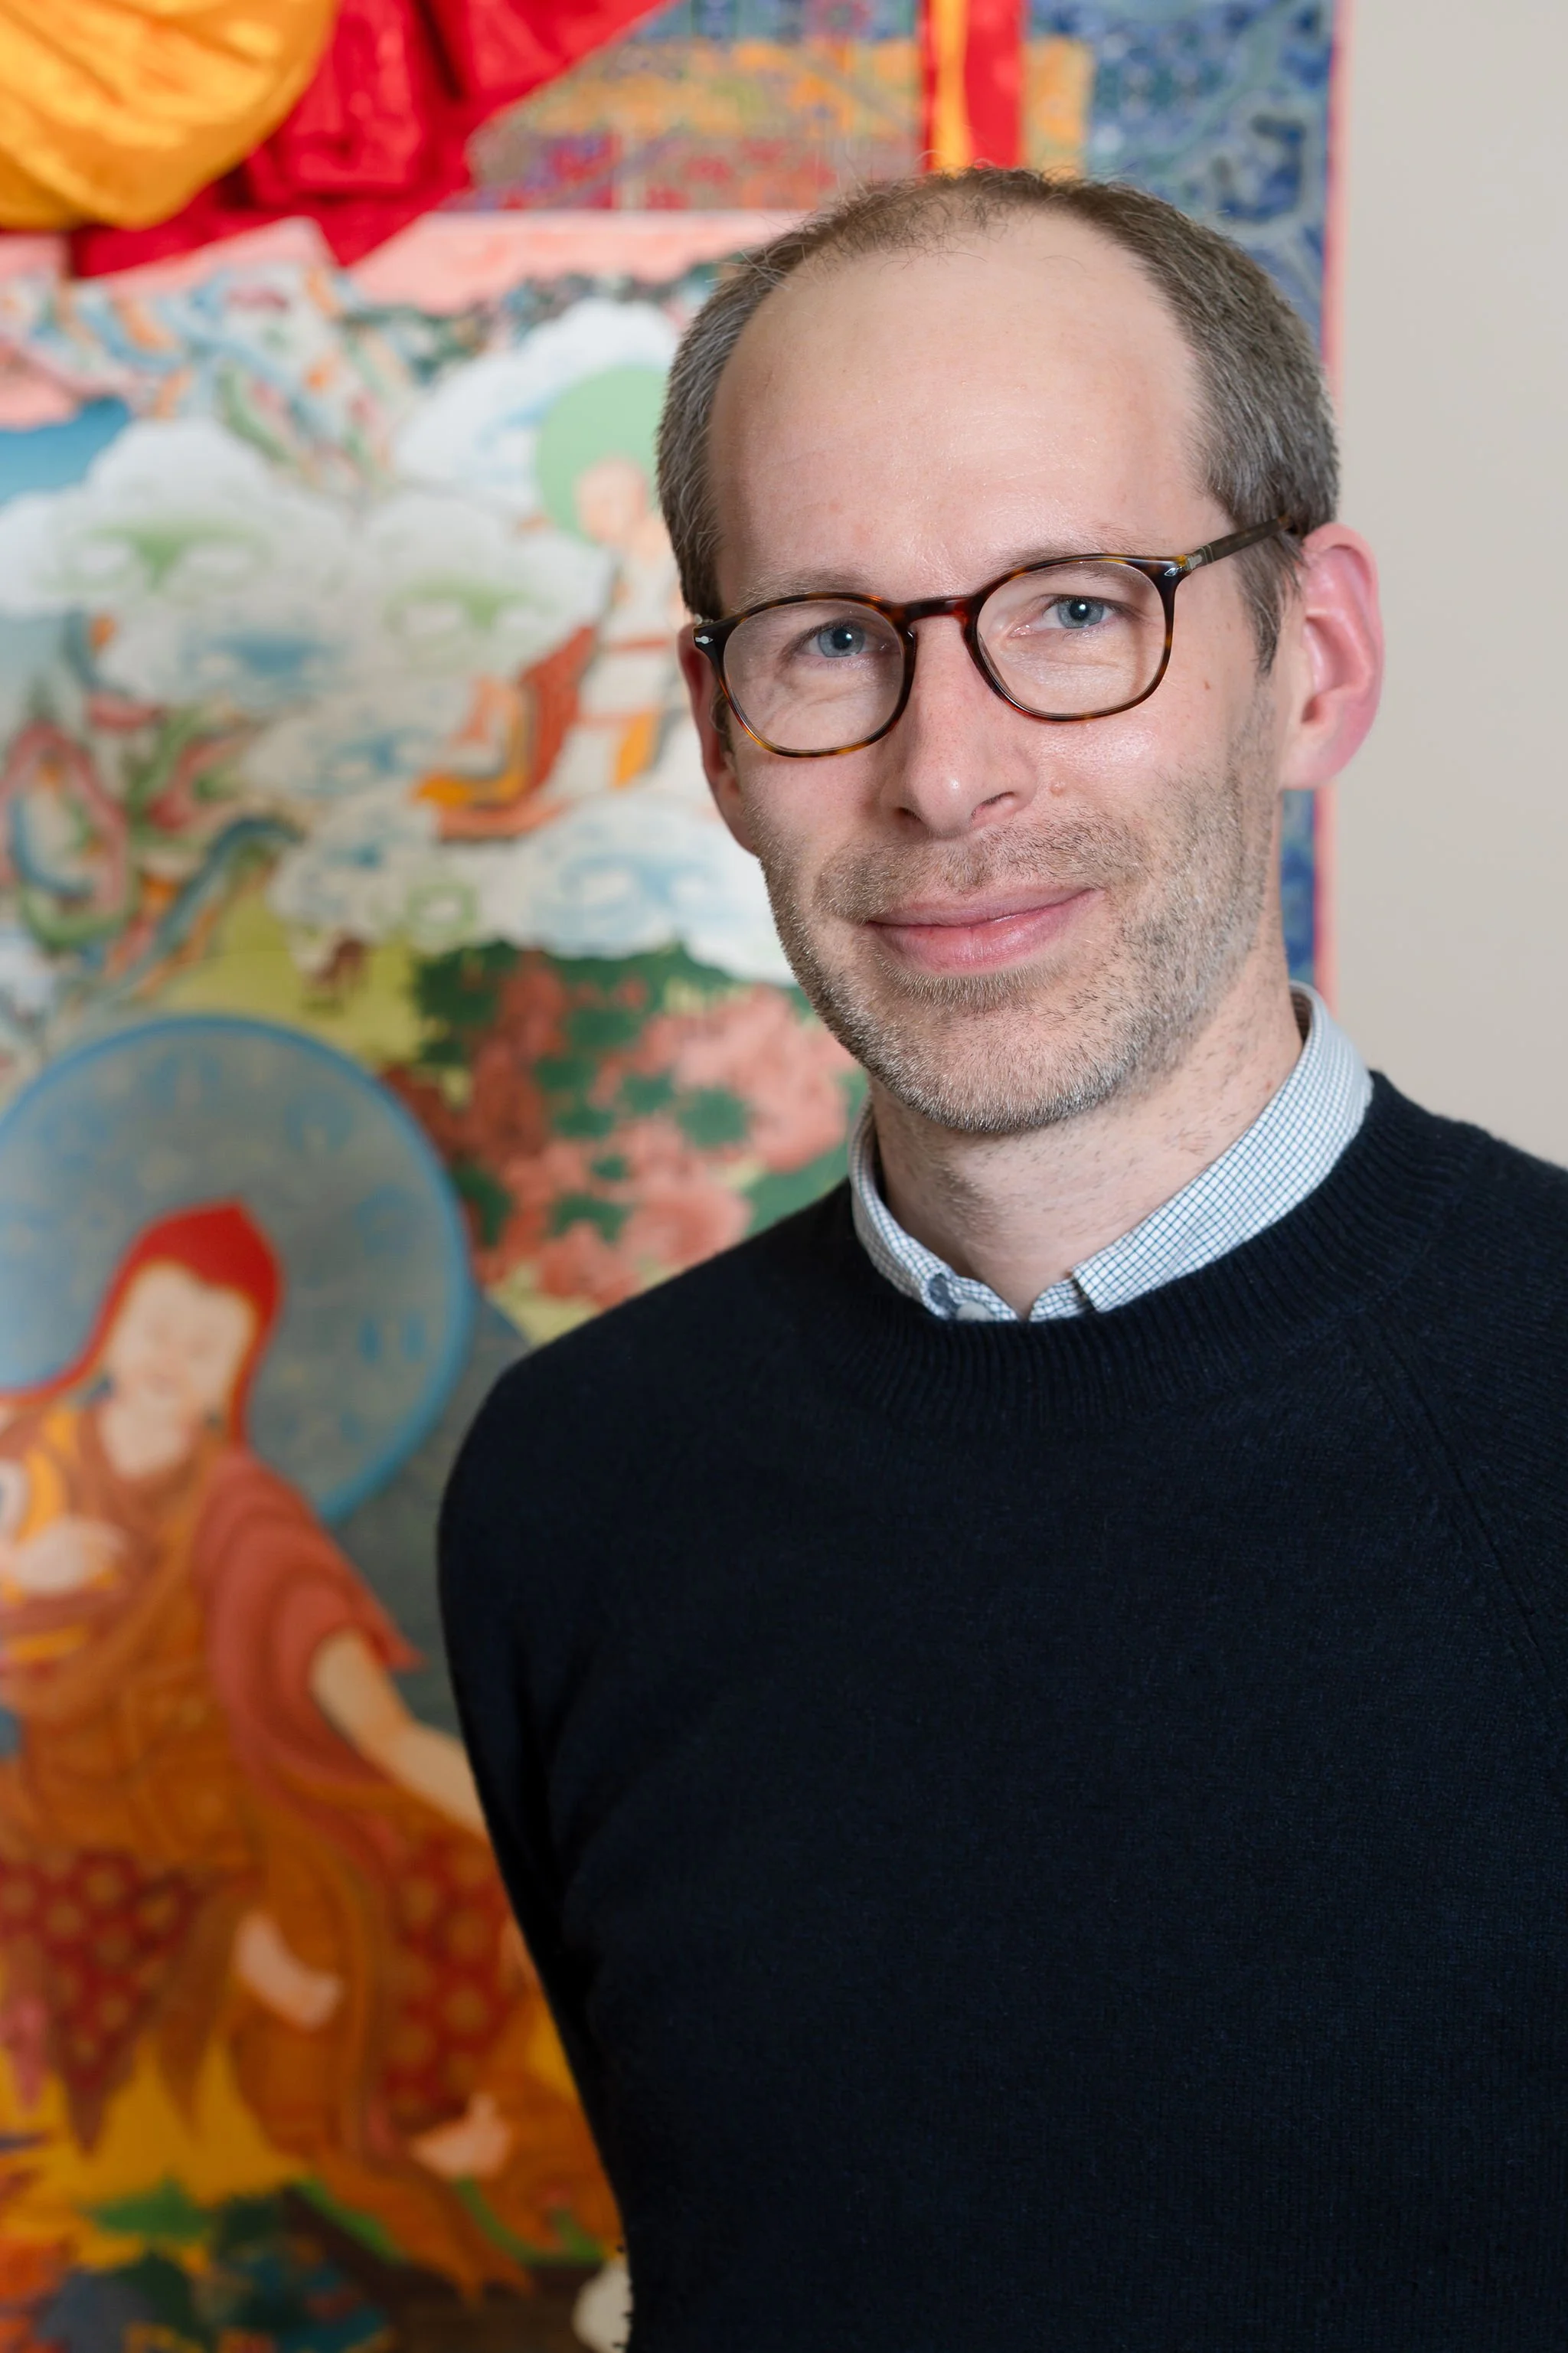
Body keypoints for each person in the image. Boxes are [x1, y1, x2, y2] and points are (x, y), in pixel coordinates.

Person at [439, 168, 1568, 2348]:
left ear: (1309, 664)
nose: (947, 775)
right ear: (724, 742)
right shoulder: (574, 1495)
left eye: (1072, 607)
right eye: (835, 640)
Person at [0, 1202, 616, 2290]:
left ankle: (417, 2116)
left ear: (239, 1370)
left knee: (427, 1878)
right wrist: (25, 1579)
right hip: (62, 1795)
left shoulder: (245, 1512)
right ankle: (236, 1956)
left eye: (210, 1340)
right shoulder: (24, 1452)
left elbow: (373, 1726)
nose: (172, 1357)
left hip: (229, 1801)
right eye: (158, 1320)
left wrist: (529, 1836)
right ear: (111, 1318)